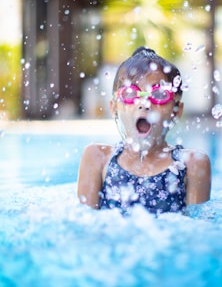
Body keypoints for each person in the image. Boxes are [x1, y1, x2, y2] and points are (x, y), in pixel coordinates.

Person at [77, 46, 211, 215]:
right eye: (130, 93)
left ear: (176, 111)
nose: (144, 103)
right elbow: (84, 227)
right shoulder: (97, 157)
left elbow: (198, 231)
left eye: (160, 95)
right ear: (114, 108)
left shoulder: (192, 164)